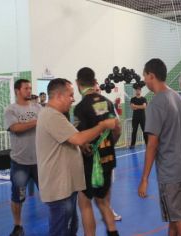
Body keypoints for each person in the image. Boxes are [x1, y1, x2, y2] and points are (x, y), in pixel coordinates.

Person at [36, 78, 117, 236]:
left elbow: (72, 138)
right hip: (60, 189)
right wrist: (102, 126)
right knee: (62, 231)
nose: (73, 99)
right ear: (59, 96)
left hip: (66, 187)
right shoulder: (52, 116)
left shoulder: (56, 115)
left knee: (70, 229)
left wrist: (80, 145)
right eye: (70, 95)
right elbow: (78, 137)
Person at [138, 58, 181, 236]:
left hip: (171, 172)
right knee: (175, 217)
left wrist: (145, 178)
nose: (144, 80)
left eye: (145, 76)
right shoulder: (177, 97)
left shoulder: (156, 104)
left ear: (151, 76)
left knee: (180, 219)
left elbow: (152, 145)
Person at [74, 67, 121, 236]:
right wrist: (109, 145)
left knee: (85, 203)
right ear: (95, 82)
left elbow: (80, 139)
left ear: (78, 83)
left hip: (90, 163)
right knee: (103, 202)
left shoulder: (80, 108)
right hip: (108, 159)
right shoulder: (107, 102)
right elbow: (117, 130)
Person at [4, 79, 41, 236]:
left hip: (40, 161)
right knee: (18, 196)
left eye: (30, 88)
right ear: (17, 91)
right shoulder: (11, 110)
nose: (29, 90)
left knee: (49, 193)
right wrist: (37, 122)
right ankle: (18, 225)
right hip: (20, 162)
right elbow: (15, 128)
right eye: (26, 88)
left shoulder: (38, 107)